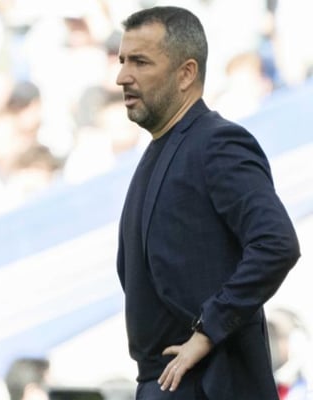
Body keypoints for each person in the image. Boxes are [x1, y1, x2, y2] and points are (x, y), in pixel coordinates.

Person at [114, 6, 300, 400]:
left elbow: (276, 243)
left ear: (186, 73)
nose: (123, 77)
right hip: (167, 382)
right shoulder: (159, 151)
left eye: (140, 62)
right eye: (122, 61)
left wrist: (207, 331)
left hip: (210, 383)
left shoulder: (216, 143)